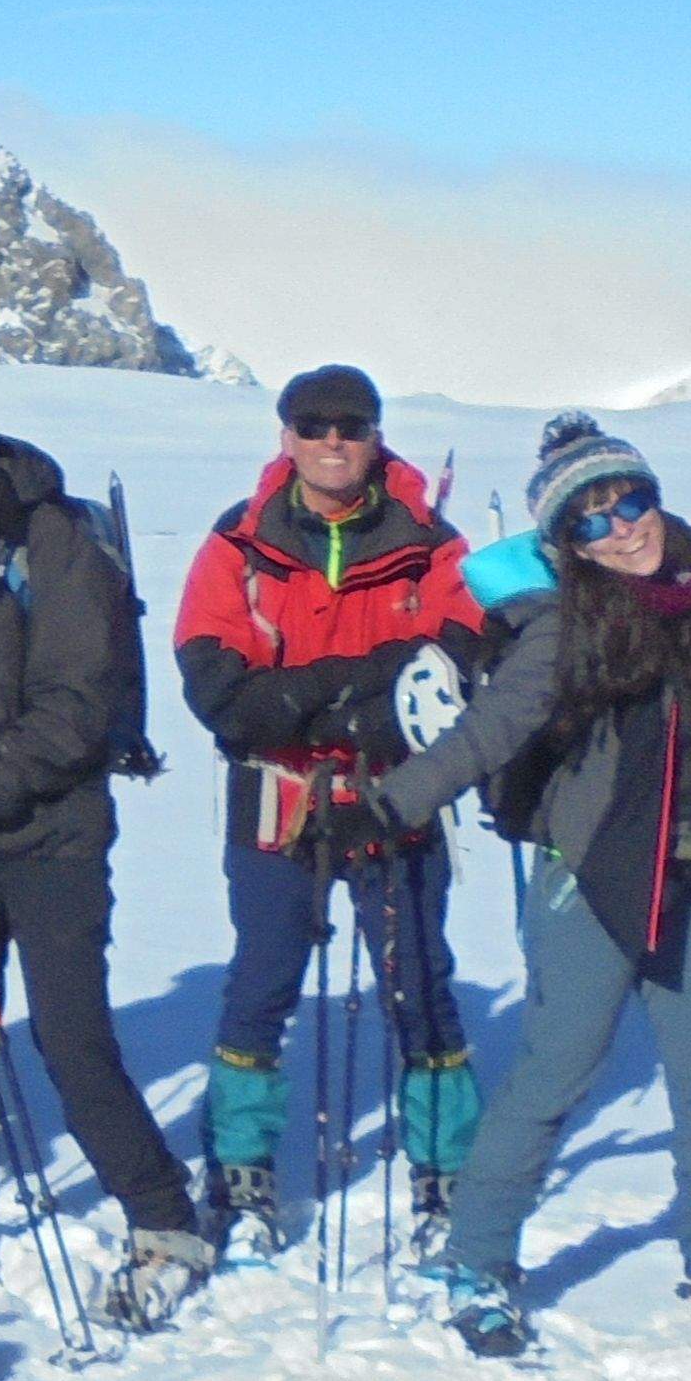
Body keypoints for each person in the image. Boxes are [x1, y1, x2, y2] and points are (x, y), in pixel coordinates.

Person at [369, 367, 691, 1367]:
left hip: (684, 865)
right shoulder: (561, 632)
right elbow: (483, 736)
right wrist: (384, 806)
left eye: (634, 501)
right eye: (593, 520)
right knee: (555, 1073)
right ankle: (478, 1259)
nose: (624, 528)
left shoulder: (681, 581)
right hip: (588, 880)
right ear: (563, 544)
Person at [0, 371, 211, 1330]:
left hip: (45, 837)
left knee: (71, 1039)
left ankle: (164, 1220)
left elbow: (75, 705)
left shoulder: (48, 536)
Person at [168, 369, 491, 1260]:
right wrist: (361, 693)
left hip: (399, 799)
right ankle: (238, 1168)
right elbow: (220, 693)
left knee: (419, 983)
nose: (333, 441)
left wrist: (325, 702)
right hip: (281, 801)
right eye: (313, 425)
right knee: (262, 982)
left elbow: (460, 663)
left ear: (377, 435)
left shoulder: (434, 544)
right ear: (286, 437)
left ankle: (446, 1169)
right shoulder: (236, 545)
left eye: (351, 425)